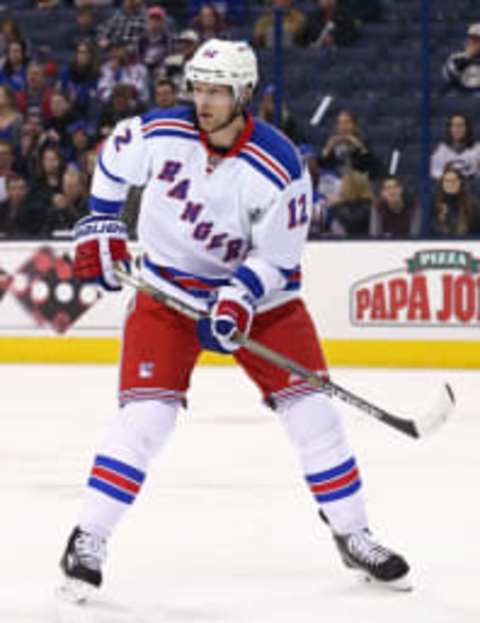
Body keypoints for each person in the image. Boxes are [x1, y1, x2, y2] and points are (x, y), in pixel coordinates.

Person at [59, 38, 411, 603]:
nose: (203, 100)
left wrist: (238, 297)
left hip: (262, 304)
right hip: (168, 294)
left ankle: (354, 533)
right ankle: (88, 537)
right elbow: (113, 158)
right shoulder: (159, 132)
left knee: (314, 414)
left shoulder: (280, 166)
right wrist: (101, 218)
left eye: (217, 90)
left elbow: (278, 258)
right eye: (198, 87)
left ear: (244, 94)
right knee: (146, 419)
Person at [430, 113, 480, 181]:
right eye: (454, 125)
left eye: (461, 125)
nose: (457, 128)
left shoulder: (477, 148)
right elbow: (435, 173)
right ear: (449, 128)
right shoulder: (441, 149)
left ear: (467, 128)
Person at [432, 167, 480, 237]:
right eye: (447, 181)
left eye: (454, 180)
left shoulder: (474, 205)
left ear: (460, 183)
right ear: (442, 184)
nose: (450, 184)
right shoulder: (432, 205)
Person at [443, 23, 480, 94]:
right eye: (471, 39)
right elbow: (449, 74)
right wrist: (469, 57)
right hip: (461, 96)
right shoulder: (455, 58)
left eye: (476, 40)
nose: (472, 43)